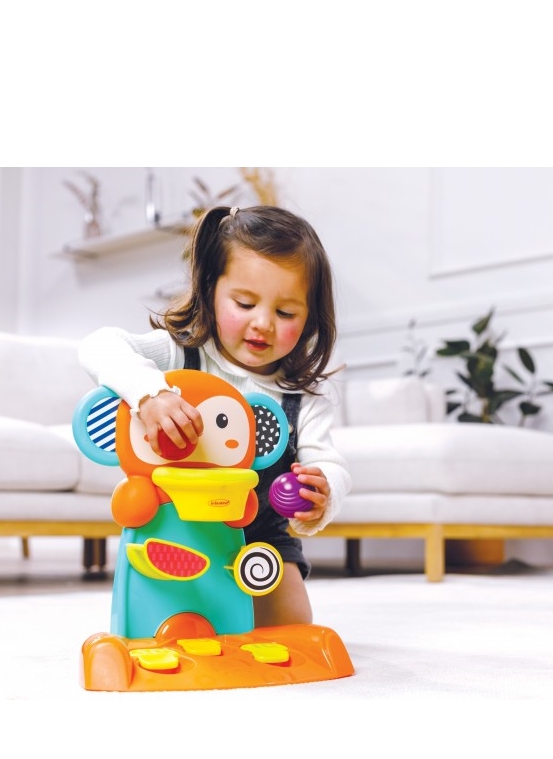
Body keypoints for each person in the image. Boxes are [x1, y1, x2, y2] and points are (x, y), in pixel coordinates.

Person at [79, 204, 351, 627]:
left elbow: (328, 462)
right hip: (177, 528)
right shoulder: (180, 354)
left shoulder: (304, 397)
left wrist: (323, 492)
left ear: (310, 316)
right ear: (210, 290)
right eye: (244, 303)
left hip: (262, 540)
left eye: (285, 313)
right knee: (166, 625)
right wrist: (150, 394)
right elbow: (98, 345)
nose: (263, 323)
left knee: (292, 630)